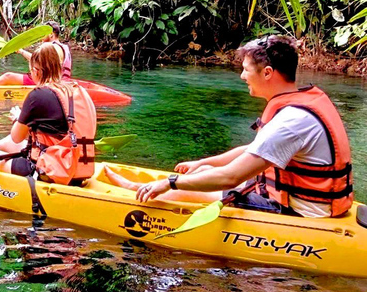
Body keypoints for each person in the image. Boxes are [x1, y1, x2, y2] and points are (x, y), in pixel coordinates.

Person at [104, 35, 354, 218]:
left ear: (267, 73)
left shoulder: (291, 121)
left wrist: (170, 183)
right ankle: (138, 187)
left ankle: (137, 196)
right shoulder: (300, 105)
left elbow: (231, 176)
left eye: (245, 70)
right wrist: (205, 162)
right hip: (302, 200)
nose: (242, 76)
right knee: (199, 175)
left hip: (302, 212)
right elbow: (256, 148)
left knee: (180, 192)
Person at [0, 43, 96, 185]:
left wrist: (18, 118)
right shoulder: (79, 92)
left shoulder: (38, 95)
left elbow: (17, 136)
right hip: (79, 168)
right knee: (6, 144)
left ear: (36, 71)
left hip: (49, 170)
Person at [0, 21, 72, 86]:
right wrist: (21, 51)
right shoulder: (64, 47)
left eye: (43, 34)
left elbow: (39, 63)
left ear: (51, 34)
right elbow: (40, 61)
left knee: (8, 76)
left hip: (50, 82)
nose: (41, 37)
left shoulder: (52, 48)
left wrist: (21, 51)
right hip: (61, 81)